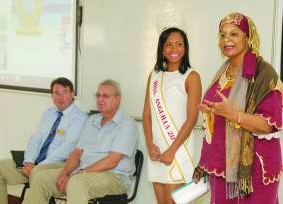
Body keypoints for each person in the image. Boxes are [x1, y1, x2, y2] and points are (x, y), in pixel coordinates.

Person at [194, 12, 283, 203]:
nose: (227, 40)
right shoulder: (223, 70)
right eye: (223, 35)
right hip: (220, 165)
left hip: (253, 171)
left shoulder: (264, 75)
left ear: (248, 37)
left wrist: (232, 114)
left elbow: (268, 125)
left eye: (234, 34)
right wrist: (212, 113)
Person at [21, 79, 139, 204]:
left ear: (117, 99)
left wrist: (79, 173)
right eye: (98, 95)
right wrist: (65, 173)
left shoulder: (127, 124)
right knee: (41, 178)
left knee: (76, 182)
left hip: (113, 176)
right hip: (85, 171)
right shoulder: (92, 120)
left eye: (105, 96)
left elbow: (112, 161)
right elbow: (77, 152)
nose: (100, 99)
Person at [0, 77, 89, 204]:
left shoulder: (80, 117)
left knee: (38, 174)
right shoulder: (49, 113)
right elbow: (35, 139)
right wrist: (28, 162)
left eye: (65, 92)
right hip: (35, 164)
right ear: (52, 95)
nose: (60, 97)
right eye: (56, 93)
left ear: (72, 94)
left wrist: (38, 166)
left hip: (59, 164)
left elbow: (67, 148)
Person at [142, 2, 202, 204]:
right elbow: (147, 115)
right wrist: (150, 144)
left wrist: (172, 150)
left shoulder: (191, 76)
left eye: (179, 44)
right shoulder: (154, 75)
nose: (174, 49)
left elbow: (192, 118)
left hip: (177, 152)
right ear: (162, 48)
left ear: (185, 46)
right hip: (157, 153)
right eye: (168, 44)